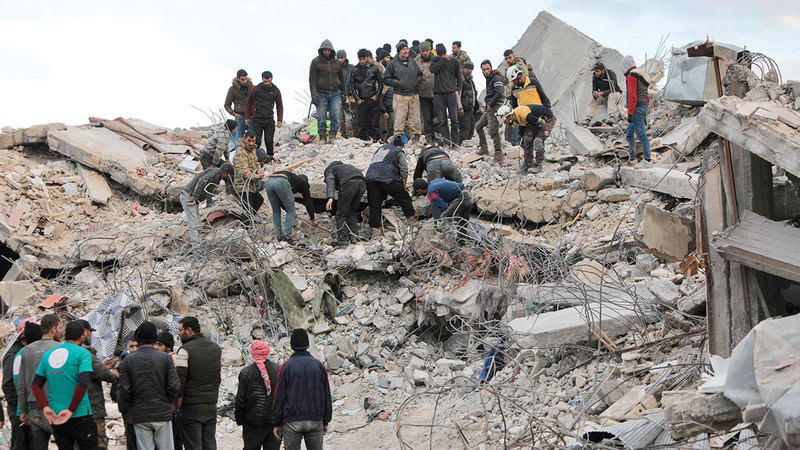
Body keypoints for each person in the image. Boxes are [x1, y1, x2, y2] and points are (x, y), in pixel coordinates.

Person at [31, 320, 97, 449]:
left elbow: (35, 385)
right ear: (82, 336)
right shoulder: (83, 354)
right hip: (80, 414)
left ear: (65, 334)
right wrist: (71, 410)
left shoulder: (48, 355)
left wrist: (45, 406)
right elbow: (83, 383)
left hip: (57, 416)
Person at [118, 322, 180, 450]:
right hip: (162, 413)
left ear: (138, 339)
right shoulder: (166, 359)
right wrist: (167, 402)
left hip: (140, 415)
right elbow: (174, 386)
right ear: (154, 339)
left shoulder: (128, 361)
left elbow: (124, 391)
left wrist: (131, 406)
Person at [272, 329, 332, 450]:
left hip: (292, 421)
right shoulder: (319, 366)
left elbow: (279, 397)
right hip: (315, 419)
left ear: (292, 345)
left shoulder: (286, 367)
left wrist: (276, 422)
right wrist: (326, 420)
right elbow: (326, 395)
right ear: (307, 345)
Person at [175, 316, 221, 450]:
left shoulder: (185, 350)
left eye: (180, 330)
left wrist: (178, 405)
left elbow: (180, 380)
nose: (178, 333)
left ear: (189, 330)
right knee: (209, 444)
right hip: (211, 406)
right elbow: (217, 378)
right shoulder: (215, 349)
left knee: (193, 445)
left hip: (191, 408)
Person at [17, 313, 62, 450]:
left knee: (38, 446)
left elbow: (22, 383)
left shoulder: (26, 350)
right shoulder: (60, 349)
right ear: (53, 329)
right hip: (56, 406)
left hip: (35, 406)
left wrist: (24, 410)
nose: (61, 331)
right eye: (60, 327)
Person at [78, 320, 118, 450]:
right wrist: (114, 374)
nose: (91, 336)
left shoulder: (70, 351)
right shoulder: (85, 352)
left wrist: (103, 366)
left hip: (76, 408)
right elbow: (104, 374)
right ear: (84, 332)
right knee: (98, 443)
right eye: (90, 333)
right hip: (92, 407)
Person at [365, 136, 415, 235]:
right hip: (388, 177)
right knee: (405, 199)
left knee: (374, 204)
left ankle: (375, 231)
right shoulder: (398, 151)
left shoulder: (380, 149)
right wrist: (403, 186)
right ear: (400, 146)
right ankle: (412, 223)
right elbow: (404, 169)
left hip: (371, 177)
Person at [235, 341, 280, 450]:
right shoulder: (278, 370)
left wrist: (240, 419)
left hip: (252, 423)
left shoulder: (246, 372)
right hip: (273, 421)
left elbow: (241, 400)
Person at [233, 131, 280, 223]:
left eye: (253, 141)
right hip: (242, 185)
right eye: (249, 141)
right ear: (244, 139)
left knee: (258, 200)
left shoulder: (253, 150)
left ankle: (248, 221)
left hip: (251, 184)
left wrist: (259, 170)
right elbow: (244, 173)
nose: (251, 143)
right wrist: (257, 176)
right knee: (247, 206)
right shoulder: (240, 153)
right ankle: (246, 226)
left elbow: (256, 163)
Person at [5, 318, 37, 450]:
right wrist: (19, 404)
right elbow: (7, 383)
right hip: (18, 409)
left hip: (25, 408)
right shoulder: (14, 354)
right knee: (20, 443)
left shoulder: (27, 351)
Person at [180, 162, 234, 242]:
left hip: (193, 198)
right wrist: (194, 198)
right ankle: (197, 248)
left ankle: (198, 242)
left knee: (197, 223)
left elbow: (227, 184)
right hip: (189, 197)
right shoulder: (215, 173)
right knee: (194, 223)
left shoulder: (218, 175)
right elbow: (202, 181)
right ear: (225, 173)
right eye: (229, 175)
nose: (228, 177)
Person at [498, 104, 555, 174]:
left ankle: (539, 164)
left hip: (547, 120)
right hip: (535, 121)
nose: (505, 123)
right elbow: (523, 125)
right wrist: (523, 137)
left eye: (505, 121)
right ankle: (528, 162)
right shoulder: (516, 116)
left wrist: (532, 133)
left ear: (510, 116)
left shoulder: (524, 114)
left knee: (538, 140)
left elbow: (540, 123)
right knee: (526, 140)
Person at [384, 42, 422, 143]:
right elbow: (386, 79)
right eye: (403, 49)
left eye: (407, 49)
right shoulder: (392, 64)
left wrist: (416, 82)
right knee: (399, 119)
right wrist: (398, 83)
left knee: (415, 119)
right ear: (399, 51)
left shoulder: (413, 63)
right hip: (400, 95)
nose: (406, 51)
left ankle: (415, 139)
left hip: (414, 94)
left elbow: (420, 75)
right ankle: (398, 139)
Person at [264, 170, 315, 244]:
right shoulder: (303, 183)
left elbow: (281, 201)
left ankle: (279, 236)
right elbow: (308, 201)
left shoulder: (294, 179)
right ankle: (287, 237)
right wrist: (312, 218)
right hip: (282, 181)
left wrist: (286, 209)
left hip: (269, 181)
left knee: (276, 211)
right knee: (291, 211)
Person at [324, 161, 366, 247]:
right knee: (352, 211)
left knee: (340, 214)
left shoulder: (330, 170)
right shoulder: (347, 167)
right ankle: (354, 236)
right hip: (362, 183)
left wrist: (330, 198)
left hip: (349, 184)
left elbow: (330, 182)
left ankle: (343, 241)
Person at [309, 40, 344, 144]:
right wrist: (314, 94)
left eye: (328, 50)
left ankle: (333, 135)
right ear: (321, 50)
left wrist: (343, 93)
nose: (327, 52)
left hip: (335, 92)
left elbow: (341, 77)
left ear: (332, 50)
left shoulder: (337, 62)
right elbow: (312, 80)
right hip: (321, 92)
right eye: (325, 50)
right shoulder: (315, 62)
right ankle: (322, 136)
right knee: (321, 116)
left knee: (336, 114)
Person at [430, 44, 462, 147]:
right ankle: (447, 143)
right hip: (438, 94)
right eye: (440, 55)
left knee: (454, 119)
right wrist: (442, 60)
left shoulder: (453, 61)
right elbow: (432, 69)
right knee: (442, 120)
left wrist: (458, 90)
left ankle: (455, 143)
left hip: (451, 93)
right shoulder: (435, 60)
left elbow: (459, 76)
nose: (442, 56)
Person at [621, 55, 652, 163]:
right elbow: (647, 96)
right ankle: (633, 158)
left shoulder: (631, 76)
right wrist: (644, 111)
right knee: (629, 134)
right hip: (642, 107)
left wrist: (630, 113)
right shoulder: (641, 75)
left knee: (641, 134)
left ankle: (647, 159)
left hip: (636, 108)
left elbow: (632, 96)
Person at [245, 71, 284, 156]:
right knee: (257, 141)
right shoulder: (256, 88)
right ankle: (255, 158)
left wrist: (279, 120)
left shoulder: (275, 90)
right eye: (265, 81)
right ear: (262, 79)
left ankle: (270, 157)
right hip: (257, 118)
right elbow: (249, 102)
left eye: (269, 81)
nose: (267, 83)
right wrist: (247, 117)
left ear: (271, 79)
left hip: (269, 118)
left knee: (269, 140)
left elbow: (279, 105)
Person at [349, 49, 383, 142]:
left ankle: (376, 139)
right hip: (361, 99)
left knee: (375, 120)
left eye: (364, 59)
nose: (362, 61)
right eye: (361, 59)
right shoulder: (355, 70)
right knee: (362, 121)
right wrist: (357, 98)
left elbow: (381, 82)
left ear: (367, 58)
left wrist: (377, 95)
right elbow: (352, 85)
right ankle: (363, 139)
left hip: (372, 97)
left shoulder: (374, 68)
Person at [475, 60, 505, 163]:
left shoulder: (496, 77)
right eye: (484, 70)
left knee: (493, 131)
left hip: (495, 107)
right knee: (478, 126)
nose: (486, 71)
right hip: (489, 108)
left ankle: (499, 154)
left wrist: (490, 104)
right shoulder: (489, 79)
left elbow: (499, 93)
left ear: (491, 68)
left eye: (487, 69)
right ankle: (484, 148)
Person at [155, 332, 181, 450]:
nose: (156, 347)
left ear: (168, 347)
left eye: (160, 345)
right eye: (155, 344)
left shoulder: (172, 359)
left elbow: (174, 385)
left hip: (171, 407)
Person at [581, 62, 624, 126]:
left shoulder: (610, 74)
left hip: (616, 94)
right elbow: (594, 89)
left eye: (597, 71)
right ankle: (588, 119)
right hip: (604, 96)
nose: (596, 73)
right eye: (595, 71)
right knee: (594, 100)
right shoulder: (595, 76)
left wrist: (601, 93)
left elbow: (613, 88)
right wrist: (595, 94)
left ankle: (612, 117)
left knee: (611, 95)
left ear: (603, 71)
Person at [414, 41, 435, 144]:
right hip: (423, 94)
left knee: (439, 117)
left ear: (430, 50)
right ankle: (429, 138)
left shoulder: (436, 60)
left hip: (437, 93)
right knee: (427, 118)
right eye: (423, 51)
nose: (425, 53)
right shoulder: (416, 62)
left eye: (427, 50)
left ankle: (440, 136)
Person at [225, 69, 253, 144]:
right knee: (239, 140)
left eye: (245, 79)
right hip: (240, 117)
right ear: (238, 78)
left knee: (251, 139)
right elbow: (227, 105)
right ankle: (239, 155)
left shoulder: (252, 88)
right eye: (242, 79)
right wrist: (234, 114)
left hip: (251, 117)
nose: (244, 81)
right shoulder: (232, 89)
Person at [337, 50, 356, 138]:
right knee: (340, 117)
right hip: (338, 95)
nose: (340, 60)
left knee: (351, 117)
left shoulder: (351, 68)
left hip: (350, 95)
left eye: (342, 58)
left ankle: (352, 135)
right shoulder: (334, 69)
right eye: (338, 58)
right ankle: (343, 135)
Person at [459, 62, 479, 143]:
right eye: (467, 68)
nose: (469, 71)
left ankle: (468, 143)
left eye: (471, 69)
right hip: (464, 109)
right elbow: (458, 94)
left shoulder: (470, 80)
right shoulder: (461, 79)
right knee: (465, 127)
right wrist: (460, 107)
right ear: (463, 68)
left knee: (471, 127)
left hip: (470, 109)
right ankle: (462, 144)